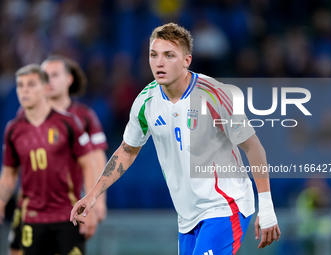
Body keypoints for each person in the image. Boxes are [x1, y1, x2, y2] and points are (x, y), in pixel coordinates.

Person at [70, 23, 281, 254]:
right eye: (154, 55)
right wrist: (92, 195)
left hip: (226, 206)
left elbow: (253, 147)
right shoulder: (145, 102)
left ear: (186, 60)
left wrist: (267, 206)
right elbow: (127, 151)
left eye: (169, 55)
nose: (159, 62)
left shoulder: (215, 95)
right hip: (188, 217)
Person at [7, 55, 108, 255]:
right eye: (45, 76)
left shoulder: (84, 116)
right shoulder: (24, 115)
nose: (49, 80)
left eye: (54, 75)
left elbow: (96, 159)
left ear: (68, 79)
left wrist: (98, 203)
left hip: (66, 207)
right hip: (29, 207)